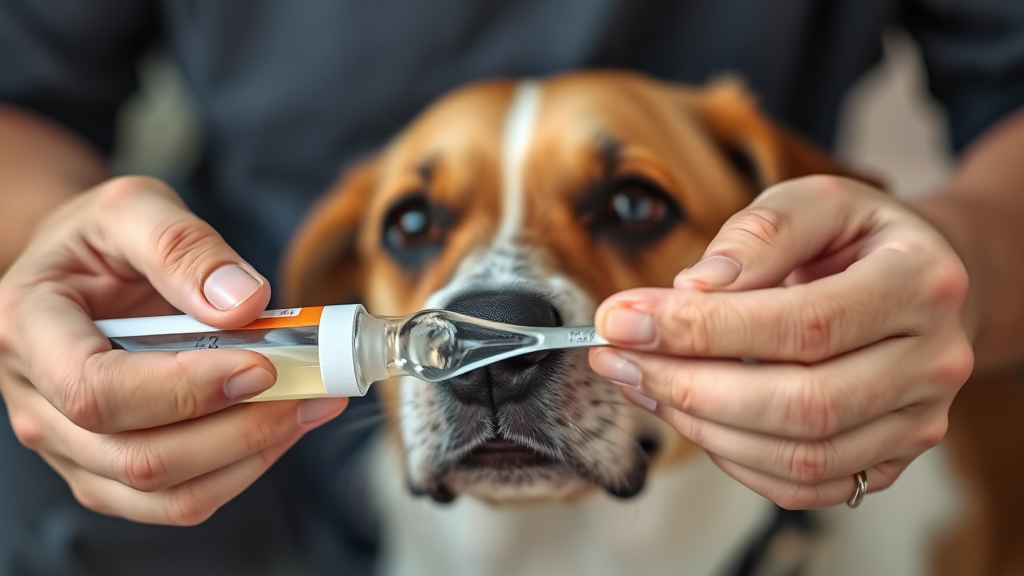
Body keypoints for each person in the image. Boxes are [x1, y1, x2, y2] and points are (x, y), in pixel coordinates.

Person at [0, 1, 1021, 574]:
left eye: (629, 206)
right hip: (264, 474)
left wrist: (957, 270)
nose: (491, 325)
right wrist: (45, 254)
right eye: (416, 226)